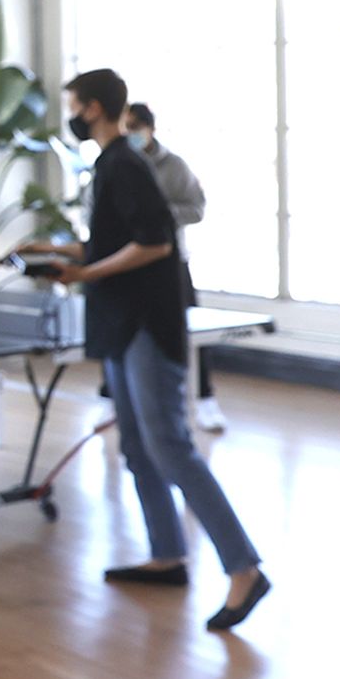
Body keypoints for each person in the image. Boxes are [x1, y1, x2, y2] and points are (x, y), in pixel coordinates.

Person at [29, 69, 270, 632]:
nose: (71, 115)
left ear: (91, 108)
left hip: (146, 323)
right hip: (119, 321)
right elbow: (115, 242)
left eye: (73, 106)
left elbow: (154, 244)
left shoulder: (126, 165)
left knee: (169, 446)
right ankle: (167, 555)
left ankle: (244, 567)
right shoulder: (109, 166)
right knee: (136, 447)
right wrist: (57, 249)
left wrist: (84, 269)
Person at [124, 102, 227, 432]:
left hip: (170, 262)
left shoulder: (173, 166)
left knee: (188, 330)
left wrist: (158, 213)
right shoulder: (114, 162)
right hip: (126, 262)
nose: (130, 135)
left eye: (135, 128)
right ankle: (110, 398)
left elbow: (196, 208)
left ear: (149, 129)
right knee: (122, 333)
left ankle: (205, 399)